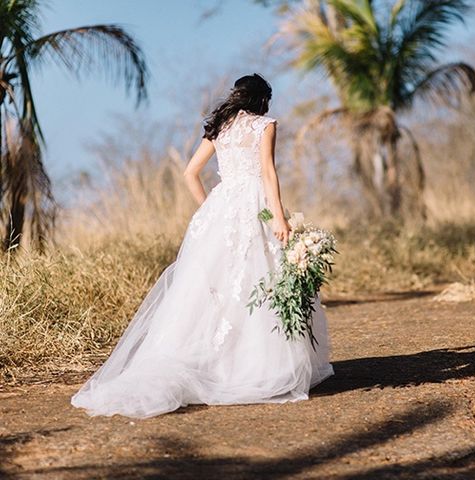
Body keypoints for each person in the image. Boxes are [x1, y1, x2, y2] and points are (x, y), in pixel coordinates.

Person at [71, 73, 334, 419]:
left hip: (221, 209)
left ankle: (218, 362)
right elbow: (268, 174)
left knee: (215, 289)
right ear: (262, 101)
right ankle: (256, 366)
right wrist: (280, 219)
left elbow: (190, 172)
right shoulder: (266, 125)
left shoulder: (220, 128)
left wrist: (209, 209)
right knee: (259, 281)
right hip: (256, 205)